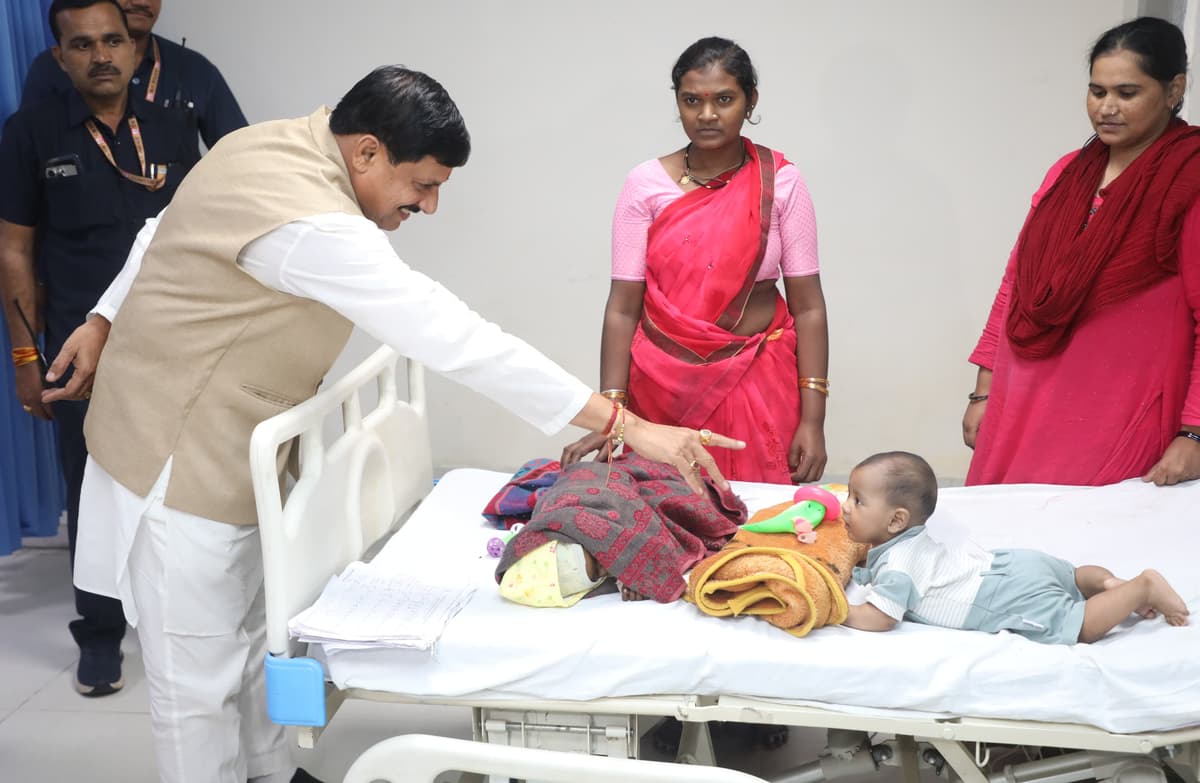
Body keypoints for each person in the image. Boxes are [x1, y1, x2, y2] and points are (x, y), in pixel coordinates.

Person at [40, 65, 743, 783]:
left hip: (236, 442)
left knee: (250, 642)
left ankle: (270, 772)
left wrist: (101, 317)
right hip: (176, 460)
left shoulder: (268, 142)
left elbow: (162, 227)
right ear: (368, 151)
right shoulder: (313, 224)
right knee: (196, 685)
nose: (430, 206)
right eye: (424, 184)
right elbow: (455, 337)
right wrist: (628, 424)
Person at [0, 0, 200, 698]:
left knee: (185, 484)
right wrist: (28, 358)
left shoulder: (175, 126)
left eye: (113, 40)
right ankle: (100, 636)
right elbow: (15, 248)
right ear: (60, 57)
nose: (101, 55)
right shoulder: (30, 133)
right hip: (80, 347)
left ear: (135, 46)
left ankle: (186, 622)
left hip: (174, 340)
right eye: (82, 45)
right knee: (92, 487)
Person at [561, 36, 830, 485]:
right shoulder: (644, 185)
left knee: (754, 526)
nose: (707, 115)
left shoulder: (781, 183)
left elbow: (809, 307)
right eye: (692, 101)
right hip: (663, 390)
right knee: (666, 520)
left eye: (724, 99)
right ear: (678, 103)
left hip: (757, 379)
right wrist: (613, 413)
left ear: (750, 101)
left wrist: (814, 420)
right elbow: (623, 307)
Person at [963, 17, 1200, 487]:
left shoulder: (1187, 181)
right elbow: (1015, 285)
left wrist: (1193, 431)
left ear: (1175, 89)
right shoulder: (1067, 173)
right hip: (1021, 403)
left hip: (1118, 411)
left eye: (1127, 93)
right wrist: (983, 393)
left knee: (1090, 551)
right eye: (1097, 92)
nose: (1107, 108)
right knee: (1005, 549)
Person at [840, 452, 1189, 643]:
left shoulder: (898, 564)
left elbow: (881, 617)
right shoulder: (905, 541)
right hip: (1013, 564)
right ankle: (1110, 584)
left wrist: (838, 611)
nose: (844, 506)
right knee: (1075, 577)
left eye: (857, 501)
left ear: (896, 521)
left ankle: (1140, 588)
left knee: (1076, 625)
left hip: (1000, 596)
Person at [21, 0, 247, 155]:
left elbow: (243, 155)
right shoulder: (52, 69)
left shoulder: (194, 69)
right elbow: (27, 161)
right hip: (82, 215)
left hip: (174, 217)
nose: (141, 1)